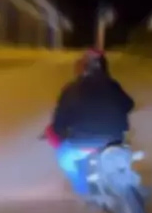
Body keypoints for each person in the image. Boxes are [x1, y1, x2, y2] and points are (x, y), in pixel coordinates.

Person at [47, 49, 135, 196]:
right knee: (125, 152)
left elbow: (59, 124)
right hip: (114, 140)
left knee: (64, 158)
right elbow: (129, 105)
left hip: (81, 143)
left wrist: (59, 133)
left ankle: (82, 189)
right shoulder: (112, 85)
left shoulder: (70, 89)